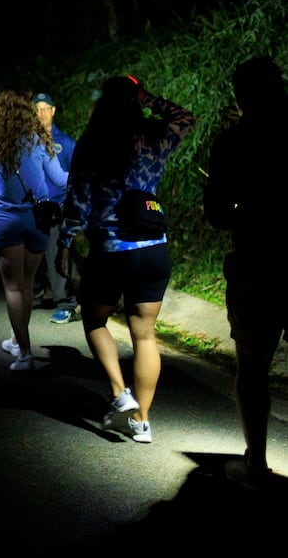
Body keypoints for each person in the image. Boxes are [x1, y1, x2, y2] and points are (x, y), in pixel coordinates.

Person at [57, 76, 194, 444]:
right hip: (153, 247)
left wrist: (65, 241)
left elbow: (78, 200)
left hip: (111, 250)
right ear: (135, 101)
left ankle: (120, 394)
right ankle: (142, 422)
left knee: (94, 318)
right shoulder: (155, 137)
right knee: (145, 335)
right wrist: (149, 98)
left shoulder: (92, 144)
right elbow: (185, 117)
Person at [203, 54, 288, 489]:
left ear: (241, 98)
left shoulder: (233, 143)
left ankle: (256, 463)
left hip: (258, 264)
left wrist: (246, 211)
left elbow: (216, 212)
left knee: (253, 367)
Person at [0, 89, 69, 372]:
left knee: (13, 287)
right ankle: (16, 338)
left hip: (6, 220)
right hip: (38, 221)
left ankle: (24, 354)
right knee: (26, 284)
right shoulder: (39, 140)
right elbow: (60, 180)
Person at [32, 93, 77, 324]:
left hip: (58, 210)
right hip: (32, 208)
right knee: (30, 254)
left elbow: (75, 177)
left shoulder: (66, 143)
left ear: (53, 110)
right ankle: (37, 289)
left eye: (45, 108)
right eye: (37, 109)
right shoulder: (27, 141)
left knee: (57, 255)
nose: (41, 113)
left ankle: (65, 303)